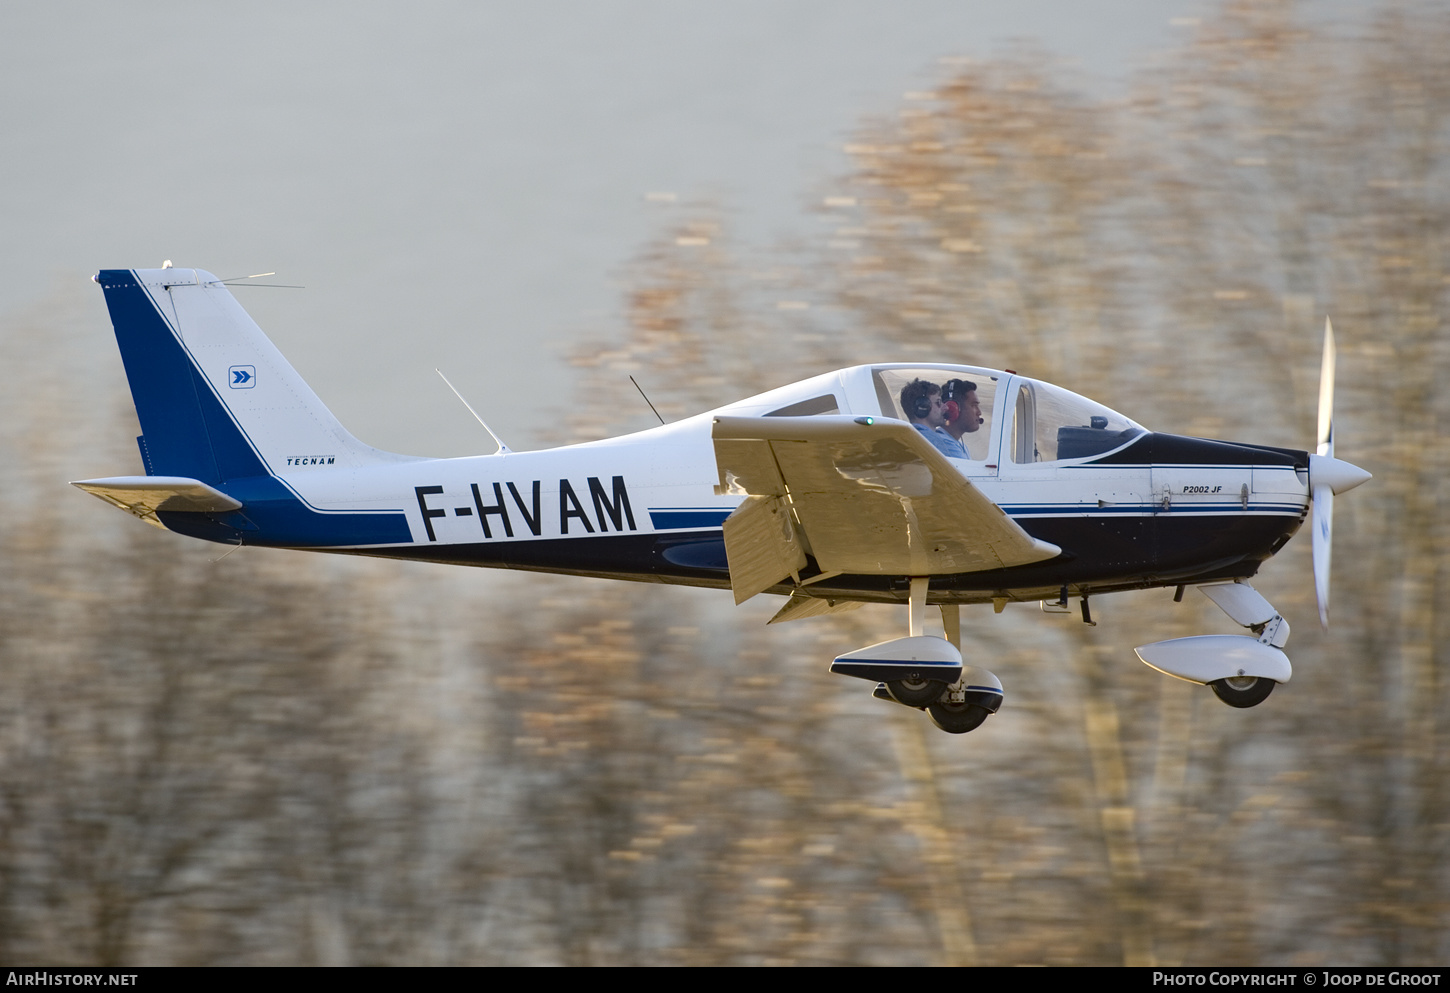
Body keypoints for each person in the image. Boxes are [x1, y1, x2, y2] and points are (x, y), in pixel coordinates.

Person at [899, 379, 967, 459]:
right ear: (923, 407)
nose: (946, 407)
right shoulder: (931, 442)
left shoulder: (906, 437)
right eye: (938, 402)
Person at [941, 378, 984, 449]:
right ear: (952, 408)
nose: (979, 413)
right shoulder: (947, 447)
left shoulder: (960, 446)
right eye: (973, 405)